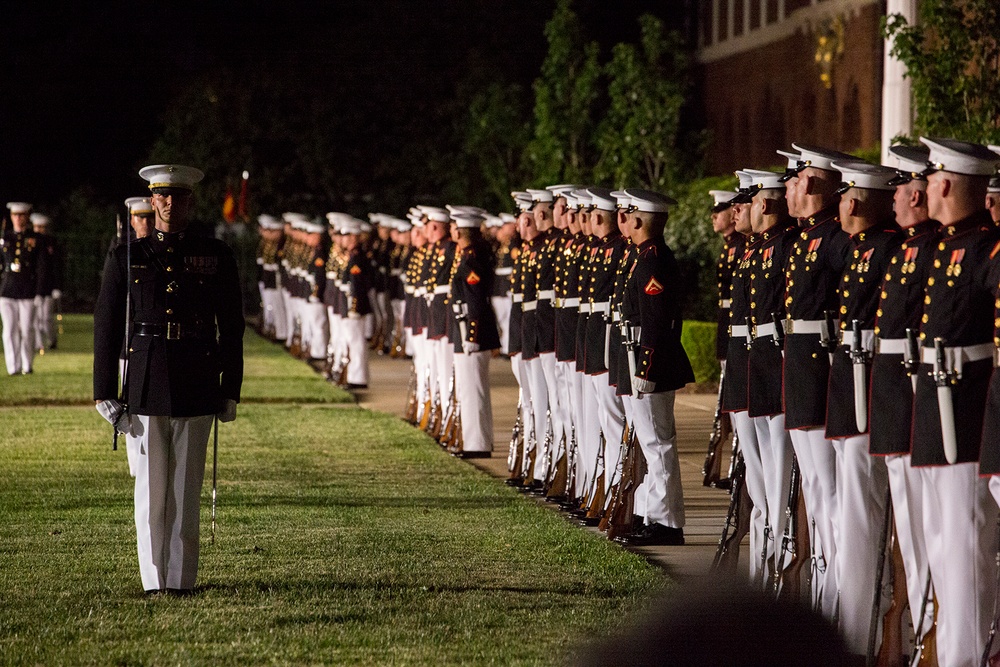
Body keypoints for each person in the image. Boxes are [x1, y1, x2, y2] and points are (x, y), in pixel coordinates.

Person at [93, 164, 245, 595]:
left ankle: (179, 580)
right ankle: (153, 580)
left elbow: (232, 326)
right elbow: (106, 327)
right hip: (146, 379)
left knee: (184, 489)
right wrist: (103, 391)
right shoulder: (128, 256)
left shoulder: (215, 255)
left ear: (190, 201)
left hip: (197, 375)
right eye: (162, 195)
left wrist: (230, 388)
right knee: (150, 491)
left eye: (178, 196)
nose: (170, 203)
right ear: (152, 199)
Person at [907, 138, 1000, 666]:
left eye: (929, 179)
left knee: (965, 548)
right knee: (940, 545)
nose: (923, 188)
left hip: (965, 409)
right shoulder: (943, 246)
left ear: (943, 183)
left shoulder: (988, 247)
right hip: (933, 404)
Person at [868, 144, 937, 657]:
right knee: (909, 525)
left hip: (918, 396)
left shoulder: (930, 247)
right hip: (896, 392)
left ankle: (926, 627)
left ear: (916, 194)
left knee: (926, 523)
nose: (891, 197)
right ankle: (915, 627)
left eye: (899, 189)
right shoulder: (909, 246)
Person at [617, 188, 694, 547]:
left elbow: (656, 321)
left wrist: (646, 368)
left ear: (638, 221)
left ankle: (666, 522)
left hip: (650, 362)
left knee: (658, 443)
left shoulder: (653, 260)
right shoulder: (645, 256)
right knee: (652, 442)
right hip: (640, 357)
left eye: (628, 215)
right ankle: (652, 514)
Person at [447, 211, 500, 457]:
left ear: (459, 232)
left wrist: (471, 336)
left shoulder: (471, 261)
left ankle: (477, 444)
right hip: (466, 330)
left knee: (473, 390)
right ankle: (477, 442)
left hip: (470, 332)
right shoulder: (469, 257)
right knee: (469, 389)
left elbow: (476, 302)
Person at [1, 202, 41, 375]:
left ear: (27, 217)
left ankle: (27, 364)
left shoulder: (35, 238)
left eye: (21, 215)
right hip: (7, 289)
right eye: (15, 215)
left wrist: (39, 291)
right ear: (11, 217)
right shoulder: (5, 237)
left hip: (27, 290)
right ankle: (13, 367)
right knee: (9, 330)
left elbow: (41, 267)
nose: (18, 218)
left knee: (26, 329)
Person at [30, 212, 63, 352]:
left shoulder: (51, 243)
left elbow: (56, 266)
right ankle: (39, 344)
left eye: (41, 227)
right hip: (34, 286)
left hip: (48, 286)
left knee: (46, 317)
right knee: (36, 318)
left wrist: (57, 286)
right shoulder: (30, 242)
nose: (39, 230)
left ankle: (51, 339)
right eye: (37, 227)